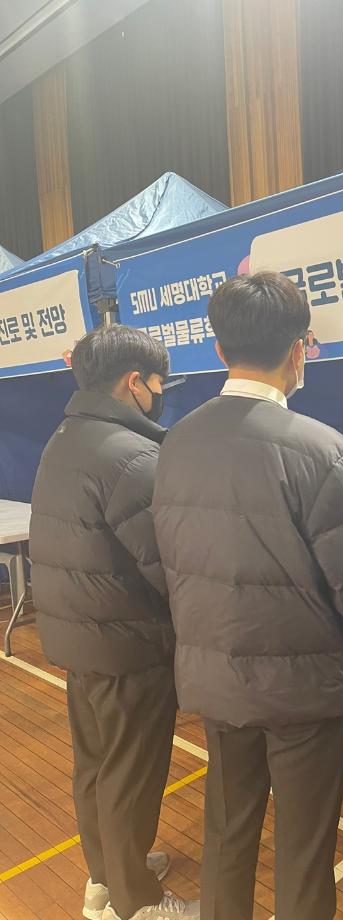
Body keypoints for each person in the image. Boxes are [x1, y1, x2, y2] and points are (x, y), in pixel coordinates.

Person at [152, 271, 343, 920]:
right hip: (302, 690)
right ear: (298, 349)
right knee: (303, 849)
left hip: (215, 676)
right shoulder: (323, 452)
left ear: (218, 348)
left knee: (227, 830)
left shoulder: (176, 443)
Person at [29, 325, 199, 920]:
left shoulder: (65, 437)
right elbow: (169, 564)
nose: (162, 393)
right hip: (128, 642)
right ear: (134, 383)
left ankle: (106, 878)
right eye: (159, 383)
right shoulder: (131, 455)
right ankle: (137, 902)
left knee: (97, 765)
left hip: (79, 636)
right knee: (132, 772)